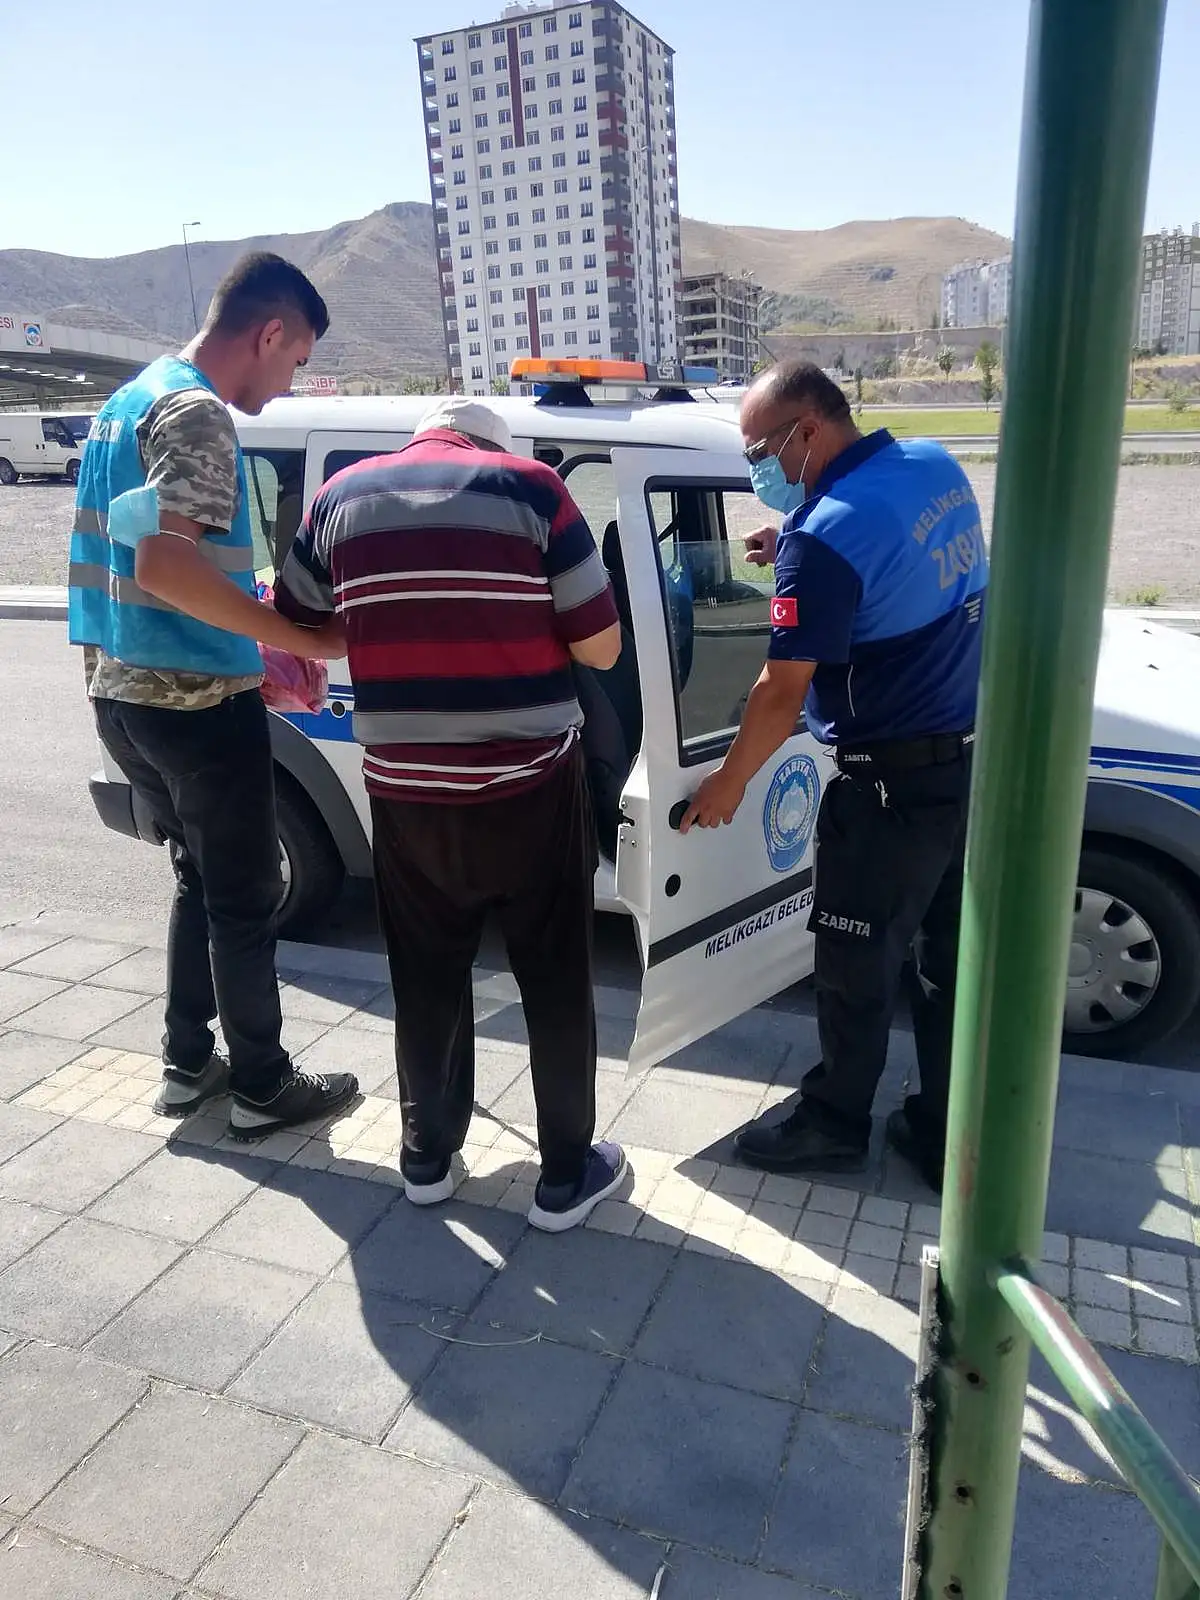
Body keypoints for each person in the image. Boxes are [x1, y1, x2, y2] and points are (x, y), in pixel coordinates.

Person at [273, 396, 629, 1230]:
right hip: (531, 787)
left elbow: (300, 625)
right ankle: (564, 1178)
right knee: (555, 979)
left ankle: (427, 1157)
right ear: (491, 444)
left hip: (406, 796)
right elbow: (603, 646)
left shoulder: (340, 498)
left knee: (426, 977)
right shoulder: (535, 490)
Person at [68, 252, 359, 1141]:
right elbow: (166, 565)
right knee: (244, 893)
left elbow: (140, 560)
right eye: (297, 359)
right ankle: (262, 1085)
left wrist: (245, 629)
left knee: (199, 879)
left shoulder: (127, 404)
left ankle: (189, 1064)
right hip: (194, 704)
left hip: (122, 694)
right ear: (269, 333)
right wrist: (302, 639)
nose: (291, 380)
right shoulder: (197, 413)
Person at [681, 360, 988, 1192]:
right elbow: (893, 553)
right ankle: (942, 1127)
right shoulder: (931, 466)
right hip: (964, 767)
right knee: (945, 961)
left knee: (855, 966)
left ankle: (833, 1123)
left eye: (761, 451)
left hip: (886, 789)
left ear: (808, 431)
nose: (758, 468)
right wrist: (795, 538)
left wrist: (728, 785)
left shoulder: (822, 541)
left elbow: (780, 691)